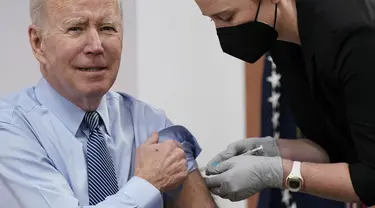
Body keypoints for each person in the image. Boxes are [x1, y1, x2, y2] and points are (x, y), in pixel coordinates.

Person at [0, 0, 217, 207]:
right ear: (38, 43)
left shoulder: (149, 122)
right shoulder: (10, 129)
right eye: (75, 28)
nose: (96, 46)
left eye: (107, 28)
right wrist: (147, 183)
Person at [193, 0, 375, 206]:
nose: (222, 31)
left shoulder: (354, 35)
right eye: (212, 19)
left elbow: (370, 180)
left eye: (227, 17)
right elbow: (336, 147)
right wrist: (272, 151)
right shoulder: (282, 39)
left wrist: (276, 173)